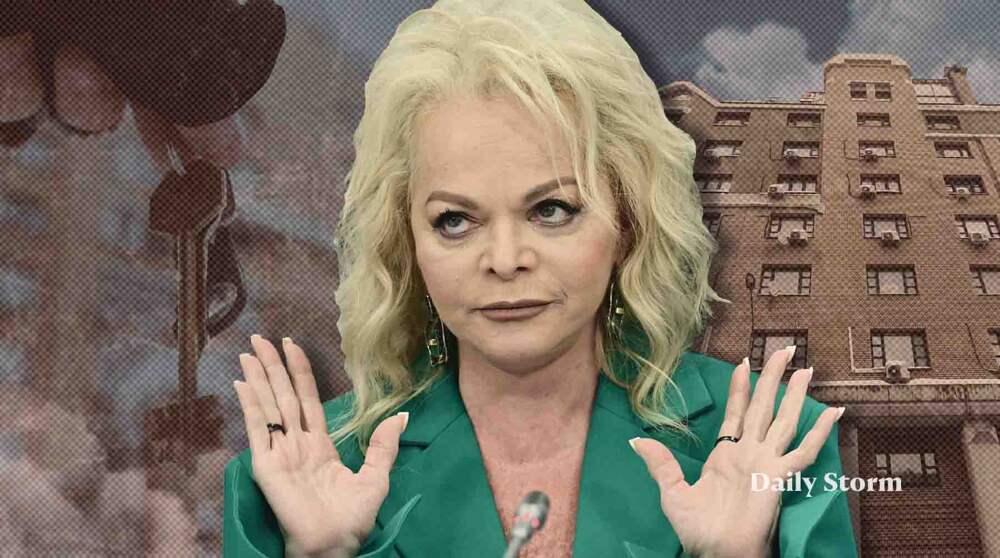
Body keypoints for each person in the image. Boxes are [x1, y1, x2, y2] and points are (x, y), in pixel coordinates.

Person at [224, 1, 858, 557]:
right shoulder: (286, 480)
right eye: (454, 220)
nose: (504, 259)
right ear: (405, 242)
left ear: (629, 221)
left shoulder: (777, 447)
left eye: (552, 209)